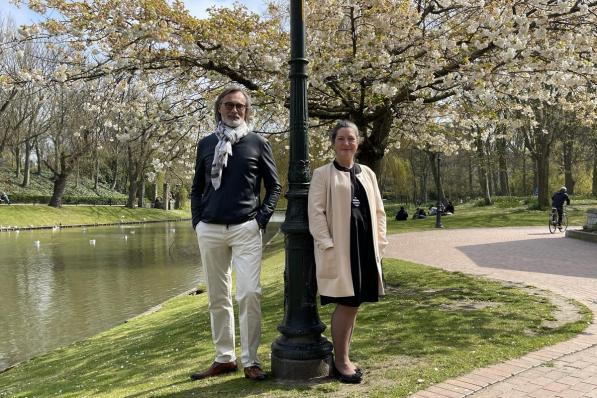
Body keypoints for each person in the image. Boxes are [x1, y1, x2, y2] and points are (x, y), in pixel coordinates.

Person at [190, 86, 281, 381]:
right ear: (219, 108)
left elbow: (274, 186)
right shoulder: (205, 145)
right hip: (210, 229)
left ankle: (250, 360)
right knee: (218, 297)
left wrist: (261, 220)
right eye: (229, 105)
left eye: (240, 106)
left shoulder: (257, 143)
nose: (234, 110)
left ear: (247, 111)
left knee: (250, 293)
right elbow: (197, 187)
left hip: (246, 228)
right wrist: (197, 222)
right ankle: (224, 358)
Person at [308, 120, 388, 384]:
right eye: (341, 138)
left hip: (365, 247)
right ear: (333, 143)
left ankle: (344, 356)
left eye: (351, 138)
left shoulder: (367, 173)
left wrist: (381, 243)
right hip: (340, 249)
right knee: (347, 302)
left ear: (358, 142)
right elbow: (316, 213)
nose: (346, 143)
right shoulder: (322, 174)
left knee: (355, 304)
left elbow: (378, 211)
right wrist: (326, 244)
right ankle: (341, 361)